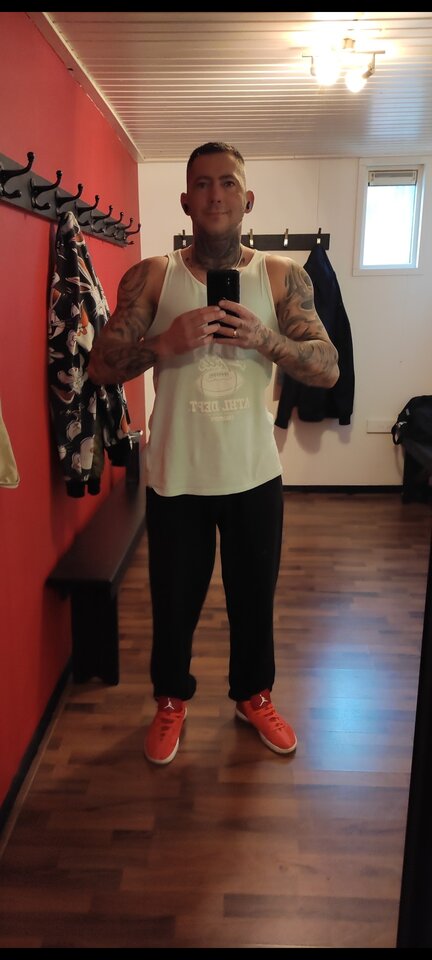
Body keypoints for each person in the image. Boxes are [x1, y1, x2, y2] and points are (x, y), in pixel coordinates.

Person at [88, 141, 340, 766]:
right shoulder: (152, 276)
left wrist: (265, 339)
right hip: (177, 475)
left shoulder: (280, 276)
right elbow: (100, 366)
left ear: (247, 199)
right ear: (185, 200)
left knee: (254, 600)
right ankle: (171, 700)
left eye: (227, 183)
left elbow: (328, 367)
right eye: (202, 184)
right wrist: (163, 342)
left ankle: (254, 696)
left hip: (253, 474)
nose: (216, 195)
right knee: (173, 605)